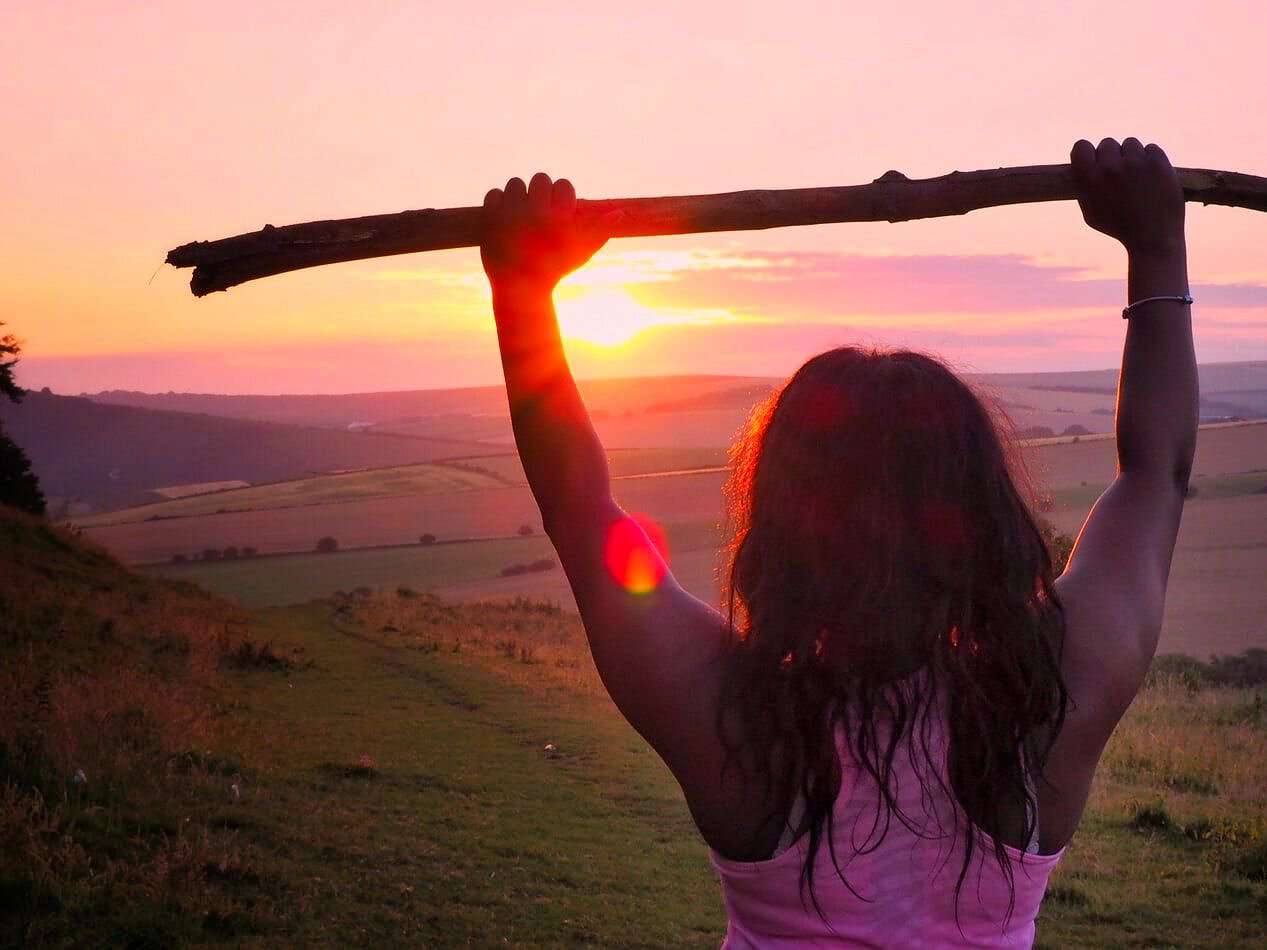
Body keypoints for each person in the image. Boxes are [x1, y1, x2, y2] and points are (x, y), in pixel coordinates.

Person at [478, 136, 1195, 947]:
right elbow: (1154, 478)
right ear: (981, 515)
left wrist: (522, 291)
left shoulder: (725, 710)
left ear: (780, 518)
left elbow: (578, 511)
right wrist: (1155, 246)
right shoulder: (1051, 694)